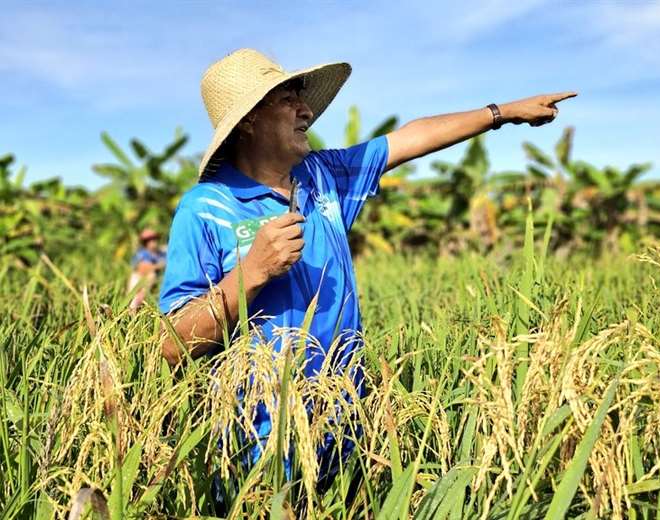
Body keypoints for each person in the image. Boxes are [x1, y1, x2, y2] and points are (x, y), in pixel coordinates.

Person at [158, 48, 575, 496]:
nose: (307, 110)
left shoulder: (324, 178)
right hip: (259, 451)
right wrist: (251, 272)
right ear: (247, 121)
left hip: (347, 433)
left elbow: (409, 138)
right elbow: (172, 344)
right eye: (287, 99)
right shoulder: (205, 209)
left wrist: (502, 113)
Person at [128, 228, 166, 310]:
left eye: (154, 239)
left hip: (155, 283)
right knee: (150, 276)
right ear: (145, 243)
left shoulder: (161, 253)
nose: (153, 242)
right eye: (149, 240)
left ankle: (136, 305)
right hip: (140, 278)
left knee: (152, 276)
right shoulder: (142, 254)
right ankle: (132, 307)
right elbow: (143, 267)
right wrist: (158, 266)